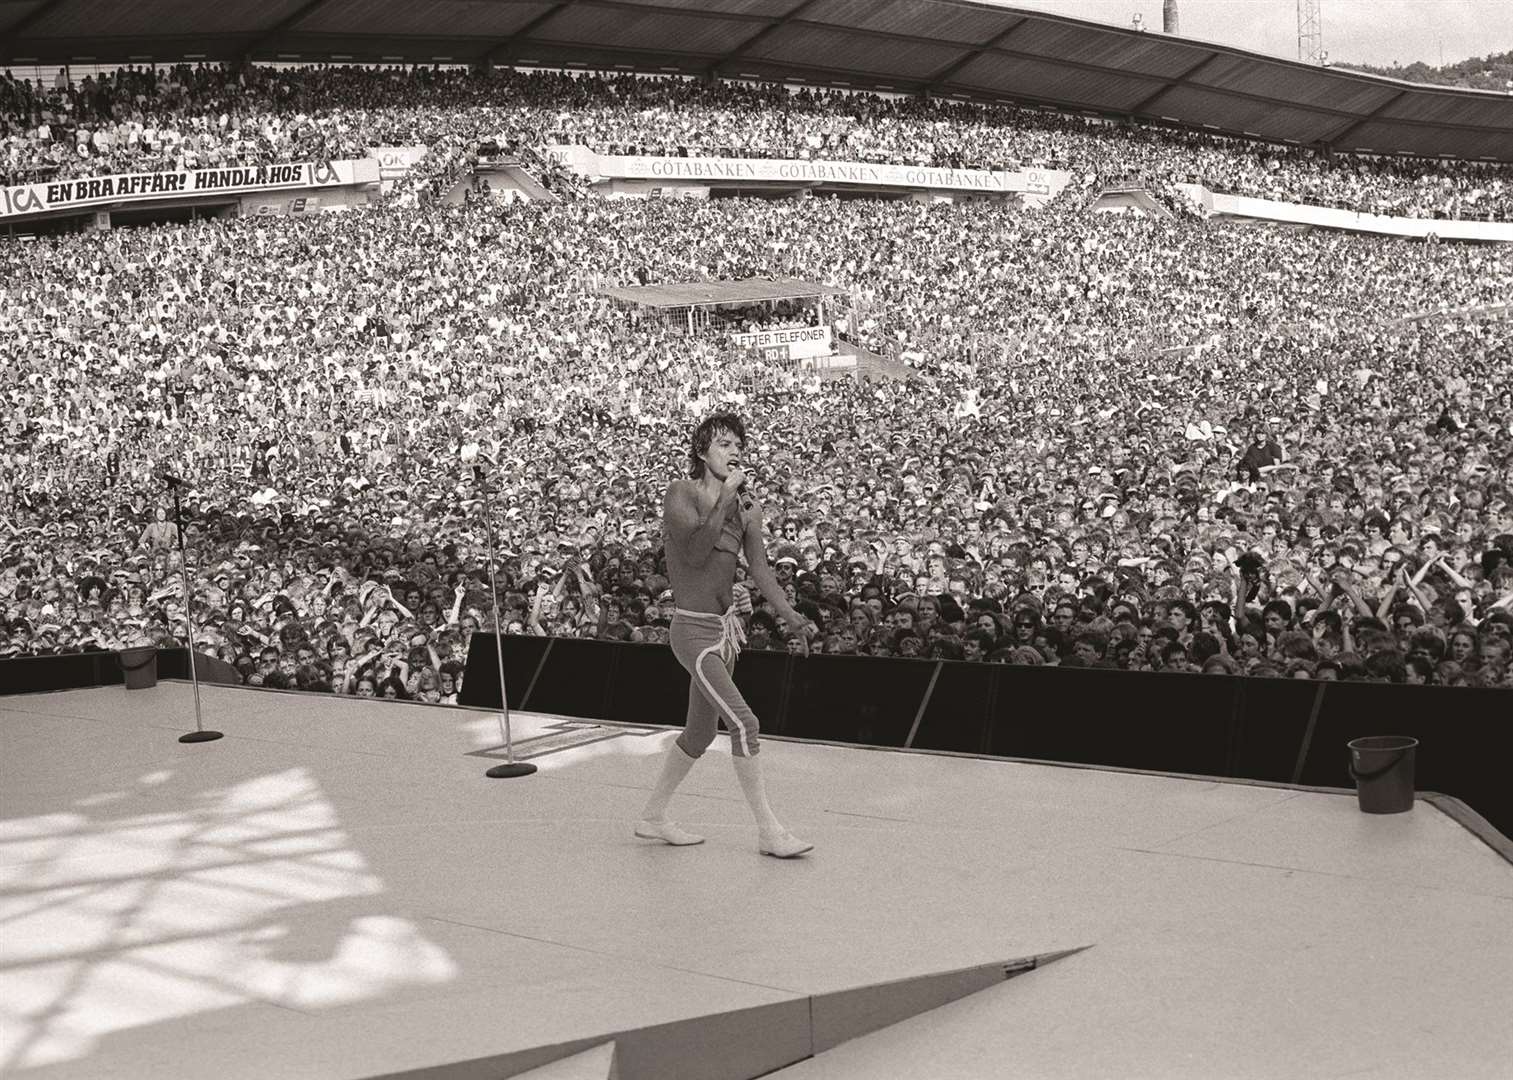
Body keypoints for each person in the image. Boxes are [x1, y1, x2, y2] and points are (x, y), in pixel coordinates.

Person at [635, 413, 815, 858]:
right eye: (723, 445)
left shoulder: (749, 511)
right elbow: (695, 553)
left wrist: (792, 617)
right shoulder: (681, 493)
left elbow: (760, 572)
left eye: (738, 444)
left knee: (698, 734)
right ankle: (769, 831)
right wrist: (725, 498)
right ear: (701, 452)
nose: (734, 452)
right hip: (691, 631)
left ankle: (653, 816)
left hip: (725, 631)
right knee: (745, 723)